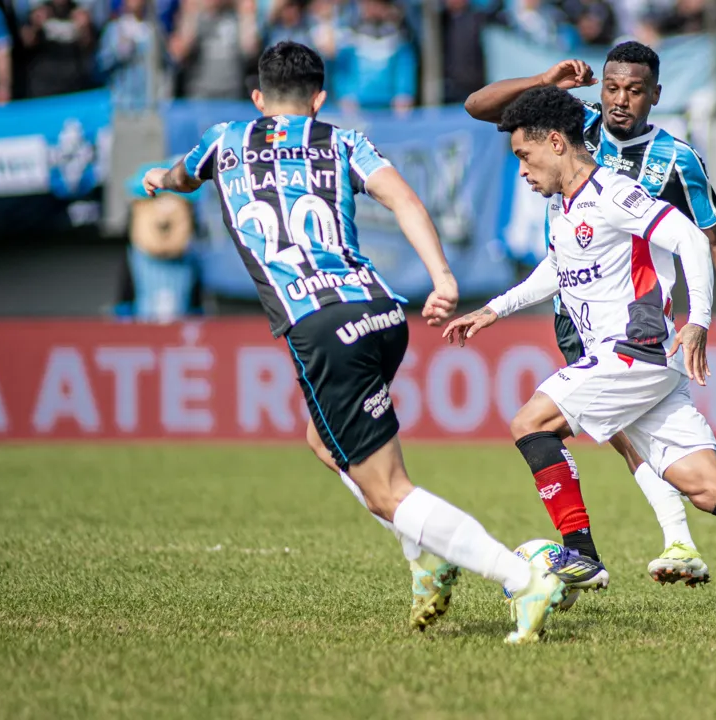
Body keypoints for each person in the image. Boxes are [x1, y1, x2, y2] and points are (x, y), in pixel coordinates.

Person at [142, 41, 567, 644]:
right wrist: (443, 278)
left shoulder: (224, 139)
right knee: (322, 439)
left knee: (389, 490)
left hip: (320, 326)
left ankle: (518, 578)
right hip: (379, 310)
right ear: (319, 99)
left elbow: (181, 176)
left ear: (258, 99)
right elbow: (405, 200)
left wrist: (158, 178)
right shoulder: (342, 142)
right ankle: (427, 557)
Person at [444, 85, 716, 613]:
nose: (522, 171)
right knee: (708, 487)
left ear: (555, 142)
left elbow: (692, 239)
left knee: (529, 423)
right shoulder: (565, 205)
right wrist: (494, 310)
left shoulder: (613, 194)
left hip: (633, 349)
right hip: (642, 364)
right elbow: (558, 268)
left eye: (524, 157)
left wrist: (697, 322)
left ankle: (580, 554)